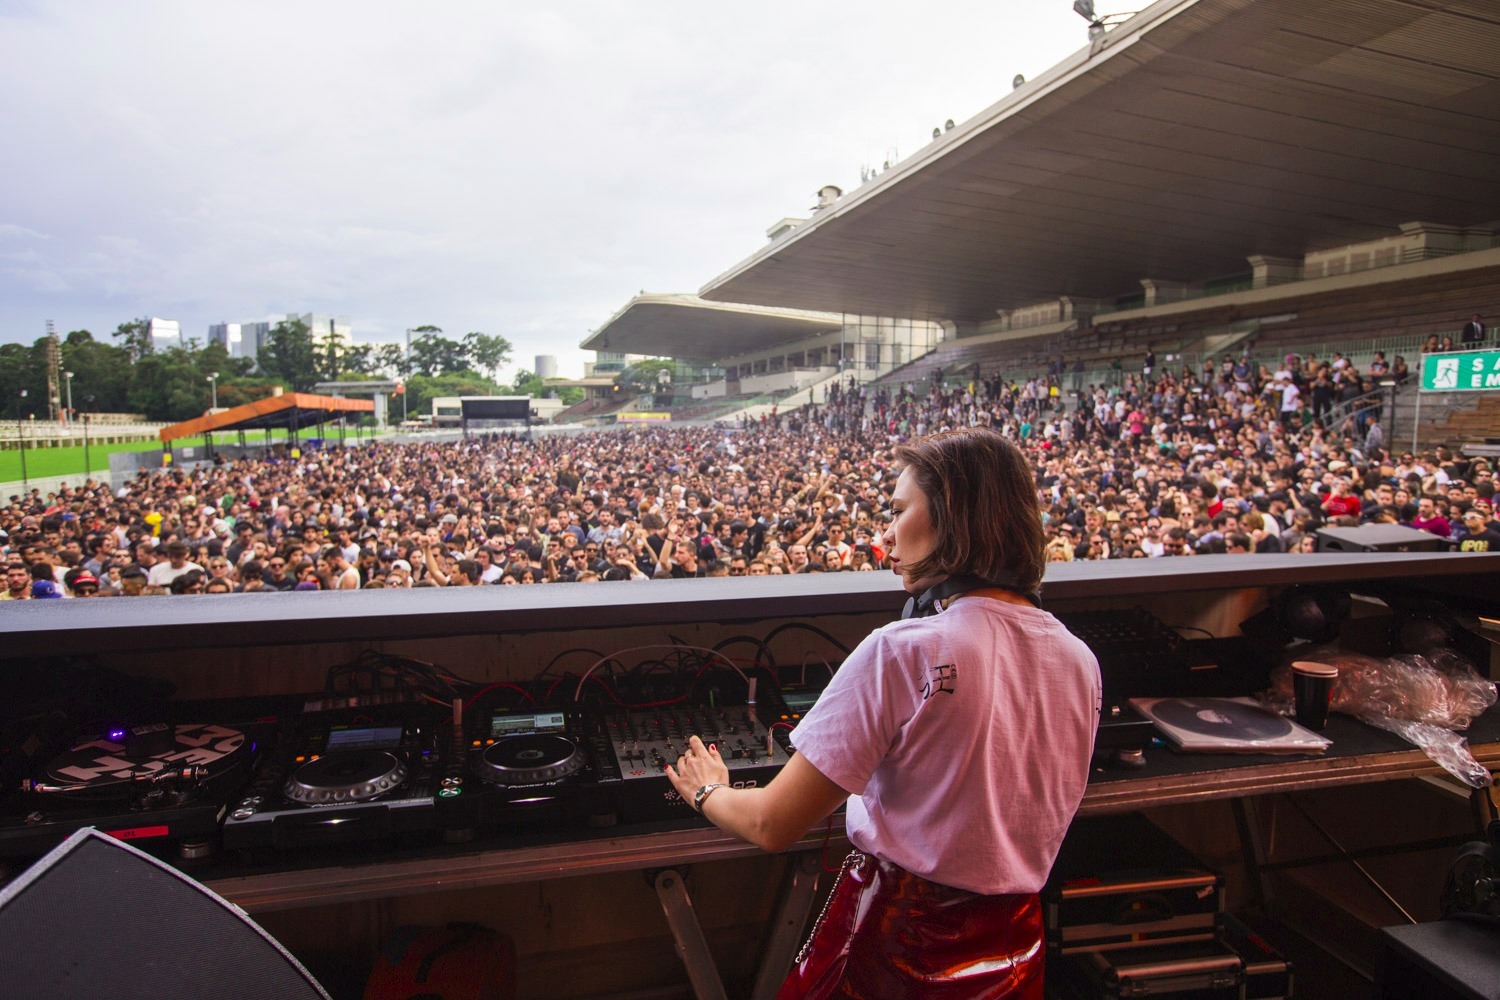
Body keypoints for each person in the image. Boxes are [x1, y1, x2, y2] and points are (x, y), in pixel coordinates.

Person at [666, 428, 1101, 999]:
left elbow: (773, 824)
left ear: (953, 518)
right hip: (1018, 950)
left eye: (899, 511)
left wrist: (708, 791)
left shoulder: (902, 650)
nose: (886, 533)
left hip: (900, 947)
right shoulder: (1079, 658)